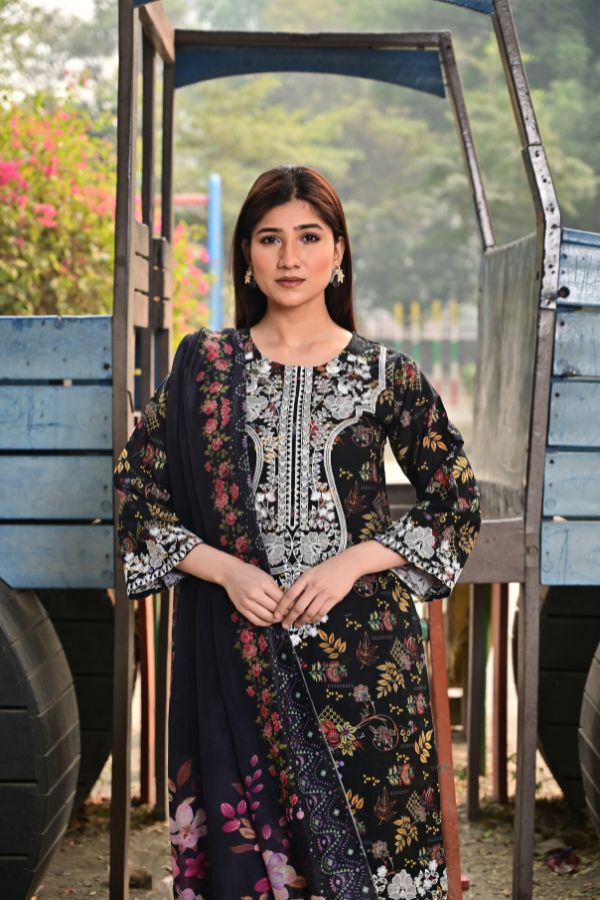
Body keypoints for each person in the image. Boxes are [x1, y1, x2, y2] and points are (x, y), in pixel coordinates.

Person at [113, 164, 482, 900]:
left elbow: (455, 501)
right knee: (252, 864)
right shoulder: (205, 368)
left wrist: (354, 562)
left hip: (367, 666)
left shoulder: (386, 374)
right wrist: (226, 570)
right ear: (246, 255)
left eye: (309, 238)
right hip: (237, 645)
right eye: (270, 239)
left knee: (377, 859)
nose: (290, 258)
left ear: (338, 252)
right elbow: (136, 495)